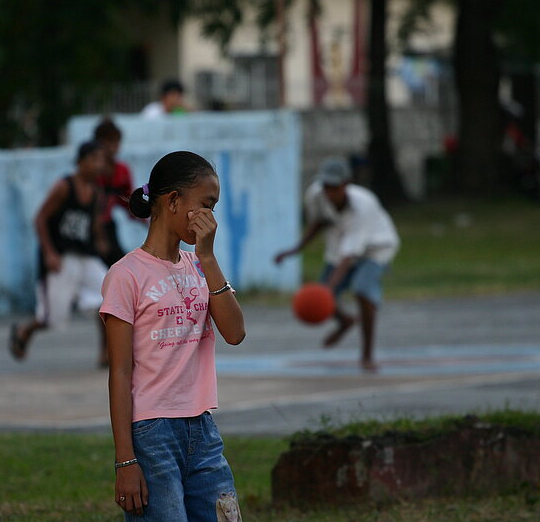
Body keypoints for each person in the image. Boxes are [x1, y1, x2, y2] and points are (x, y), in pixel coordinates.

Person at [100, 151, 246, 520]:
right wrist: (125, 461)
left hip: (203, 430)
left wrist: (208, 259)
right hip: (152, 434)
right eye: (206, 205)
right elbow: (120, 372)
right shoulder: (126, 274)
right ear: (174, 201)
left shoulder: (200, 266)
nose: (211, 217)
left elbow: (235, 332)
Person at [274, 157, 399, 372]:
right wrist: (295, 249)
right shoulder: (316, 194)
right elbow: (318, 222)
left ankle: (367, 355)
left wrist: (326, 292)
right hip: (341, 246)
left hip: (376, 247)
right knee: (326, 290)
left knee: (362, 290)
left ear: (346, 184)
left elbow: (350, 255)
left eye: (334, 187)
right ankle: (345, 321)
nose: (329, 192)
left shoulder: (363, 206)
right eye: (326, 186)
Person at [9, 140, 110, 367]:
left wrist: (101, 240)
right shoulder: (64, 187)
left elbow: (94, 223)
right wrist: (49, 253)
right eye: (94, 159)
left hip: (85, 256)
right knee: (52, 318)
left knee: (111, 298)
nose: (99, 165)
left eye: (101, 160)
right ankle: (25, 330)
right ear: (81, 162)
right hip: (61, 257)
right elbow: (40, 218)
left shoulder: (95, 192)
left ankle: (106, 353)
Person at [93, 118, 136, 266]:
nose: (115, 147)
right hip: (91, 228)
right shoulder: (92, 171)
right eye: (110, 142)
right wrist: (99, 238)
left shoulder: (122, 171)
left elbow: (128, 202)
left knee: (122, 266)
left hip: (107, 227)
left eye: (117, 142)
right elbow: (93, 208)